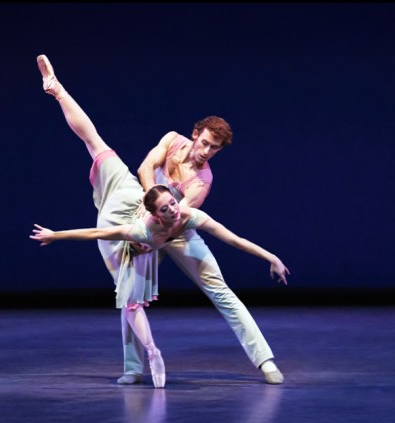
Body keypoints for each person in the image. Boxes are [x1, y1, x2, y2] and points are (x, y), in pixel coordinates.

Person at [33, 54, 289, 387]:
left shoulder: (202, 182)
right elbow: (143, 169)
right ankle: (134, 367)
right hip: (143, 204)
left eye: (215, 149)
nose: (207, 152)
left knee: (219, 289)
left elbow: (178, 221)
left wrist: (147, 232)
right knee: (127, 287)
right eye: (206, 143)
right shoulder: (172, 140)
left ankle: (265, 360)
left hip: (171, 228)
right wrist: (146, 206)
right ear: (195, 134)